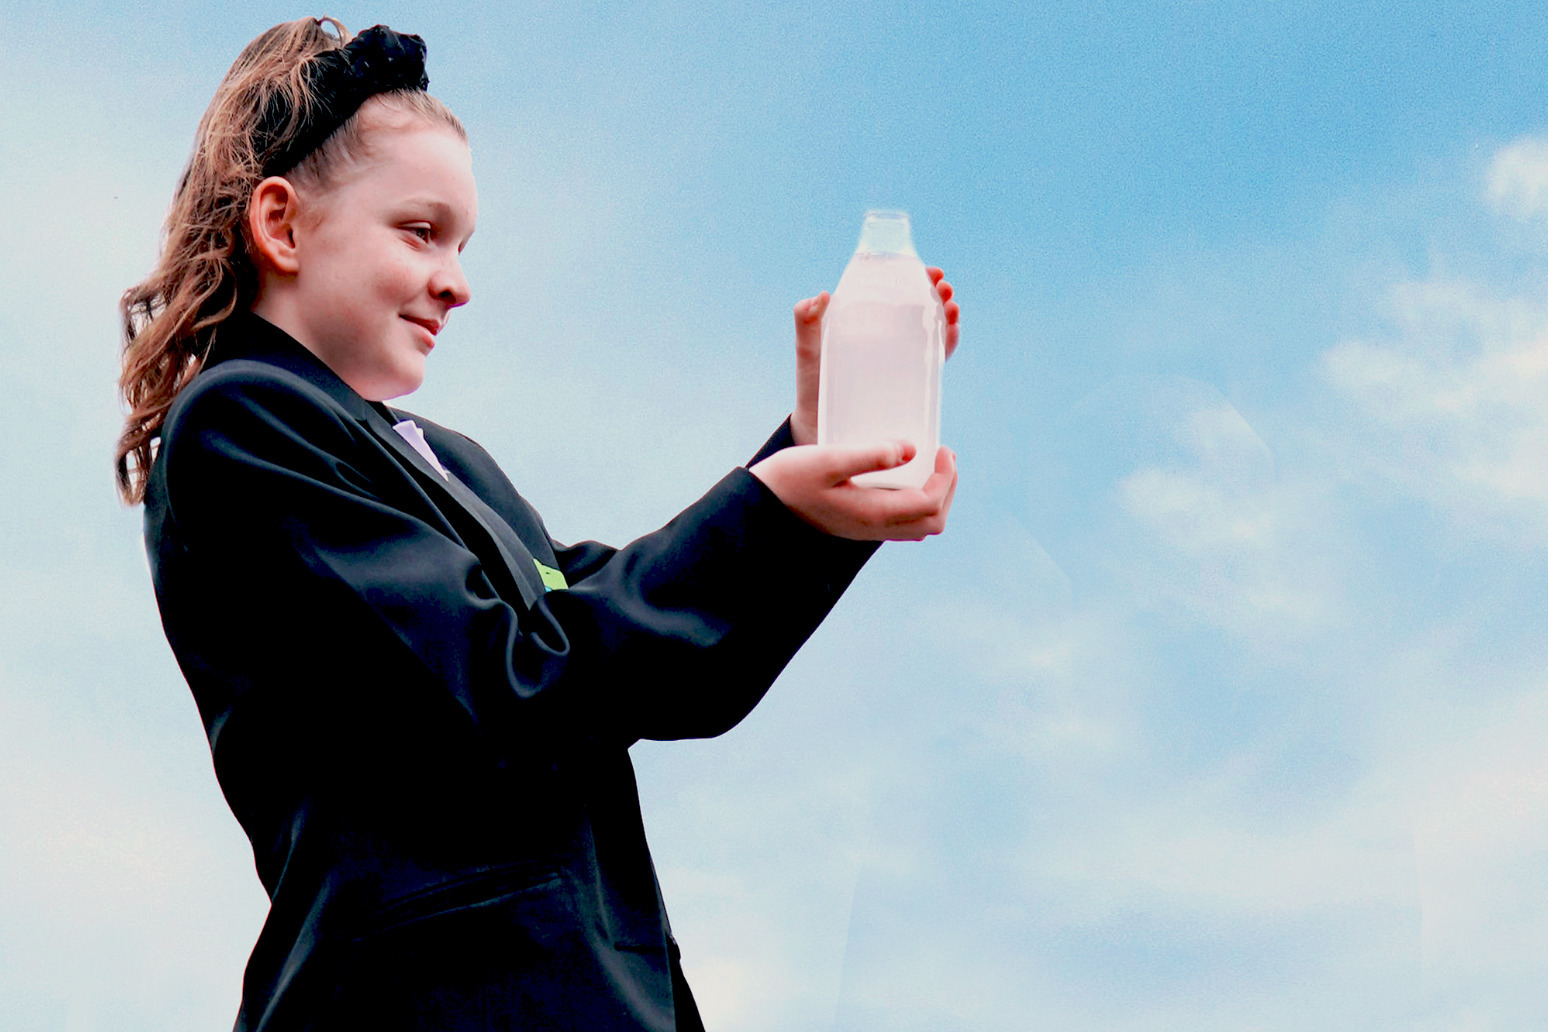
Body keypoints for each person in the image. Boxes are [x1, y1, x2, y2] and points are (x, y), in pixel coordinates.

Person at [117, 18, 960, 1032]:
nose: (458, 282)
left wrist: (807, 468)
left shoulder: (451, 461)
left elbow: (634, 650)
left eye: (464, 245)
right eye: (421, 231)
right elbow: (516, 681)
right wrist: (776, 502)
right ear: (283, 226)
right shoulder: (242, 421)